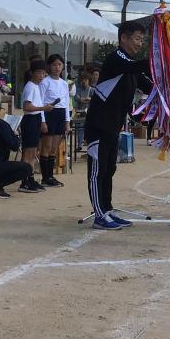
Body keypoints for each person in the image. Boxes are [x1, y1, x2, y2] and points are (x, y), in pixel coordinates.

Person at [85, 21, 150, 230]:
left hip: (113, 126)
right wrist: (159, 58)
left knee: (109, 169)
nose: (140, 43)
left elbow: (147, 85)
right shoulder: (116, 59)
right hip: (99, 124)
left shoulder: (130, 65)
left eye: (142, 39)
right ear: (123, 38)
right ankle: (99, 215)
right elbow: (136, 66)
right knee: (97, 170)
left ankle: (107, 209)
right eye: (137, 39)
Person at [38, 54, 70, 187]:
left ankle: (50, 176)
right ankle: (45, 177)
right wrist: (42, 121)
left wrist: (67, 121)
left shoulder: (64, 83)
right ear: (49, 67)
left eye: (59, 65)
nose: (57, 68)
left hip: (60, 114)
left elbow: (66, 103)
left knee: (54, 148)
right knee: (46, 146)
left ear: (63, 67)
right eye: (54, 65)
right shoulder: (45, 82)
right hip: (49, 113)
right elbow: (40, 102)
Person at [19, 59, 49, 193]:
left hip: (35, 119)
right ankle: (25, 181)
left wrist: (42, 118)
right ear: (32, 73)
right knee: (28, 153)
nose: (41, 76)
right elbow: (27, 106)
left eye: (43, 73)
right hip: (30, 119)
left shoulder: (36, 86)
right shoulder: (30, 86)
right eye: (39, 73)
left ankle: (30, 179)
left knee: (33, 152)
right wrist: (44, 108)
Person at [73, 73, 94, 151]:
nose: (84, 82)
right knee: (79, 128)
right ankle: (79, 145)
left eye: (86, 80)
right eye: (82, 80)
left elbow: (96, 99)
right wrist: (80, 99)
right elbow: (75, 97)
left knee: (88, 128)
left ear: (89, 81)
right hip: (80, 111)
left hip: (89, 111)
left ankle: (88, 143)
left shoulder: (91, 89)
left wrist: (89, 99)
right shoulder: (78, 89)